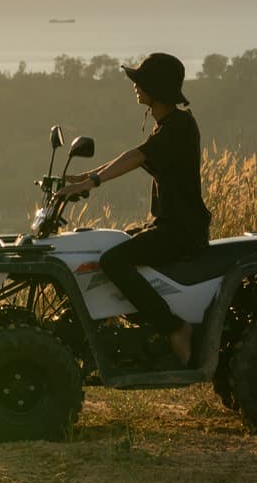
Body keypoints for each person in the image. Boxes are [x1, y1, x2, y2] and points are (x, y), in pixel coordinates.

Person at [58, 52, 212, 366]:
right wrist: (84, 177)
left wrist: (92, 182)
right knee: (107, 247)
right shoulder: (169, 125)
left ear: (157, 88)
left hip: (181, 231)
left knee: (113, 260)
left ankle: (175, 328)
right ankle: (117, 331)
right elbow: (137, 155)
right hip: (169, 226)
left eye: (141, 82)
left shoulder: (178, 126)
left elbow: (136, 156)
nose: (135, 86)